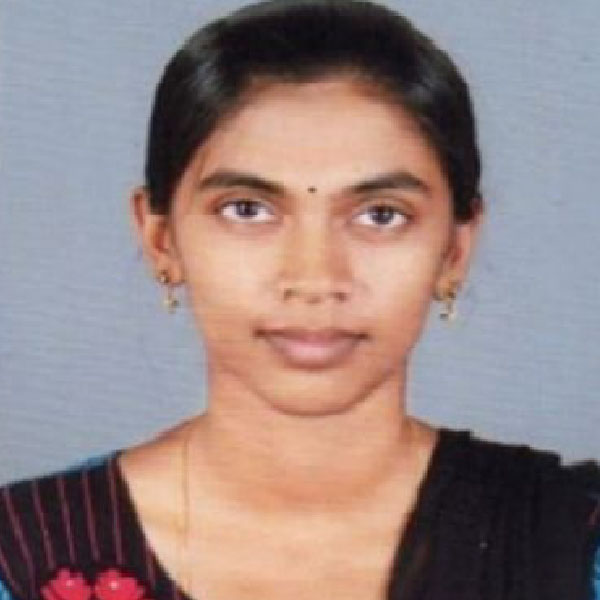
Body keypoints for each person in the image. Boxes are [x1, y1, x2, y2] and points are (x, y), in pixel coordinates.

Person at [1, 1, 599, 598]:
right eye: (247, 210)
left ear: (455, 250)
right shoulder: (23, 553)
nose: (315, 278)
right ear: (161, 241)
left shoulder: (572, 539)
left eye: (381, 215)